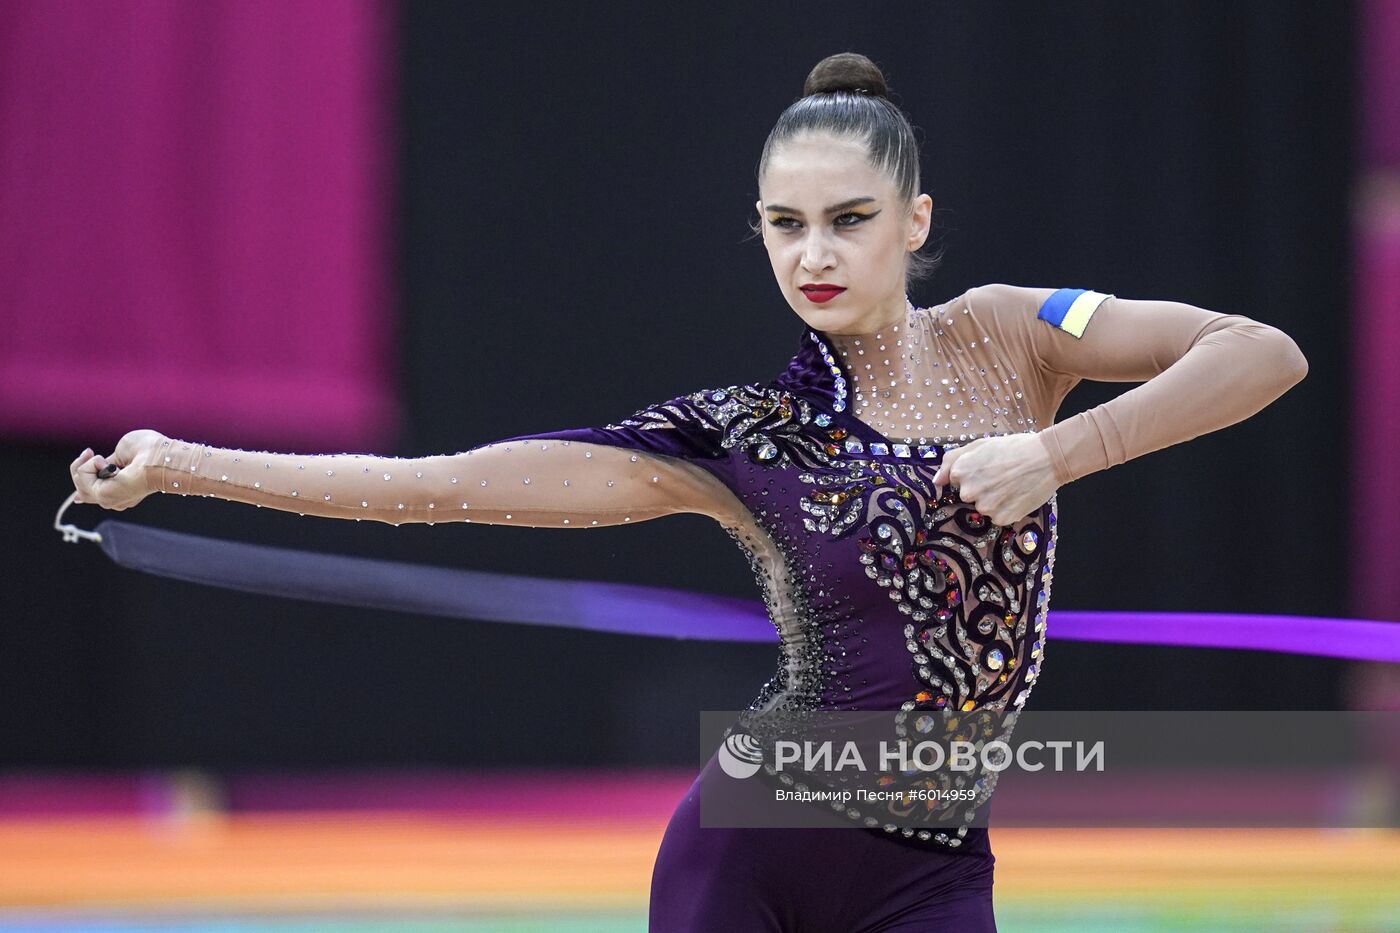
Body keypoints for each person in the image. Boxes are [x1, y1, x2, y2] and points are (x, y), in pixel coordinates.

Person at [70, 52, 1307, 933]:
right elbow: (431, 488)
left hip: (937, 867)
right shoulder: (740, 435)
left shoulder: (1014, 335)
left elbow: (1257, 353)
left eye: (847, 219)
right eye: (784, 225)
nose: (812, 254)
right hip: (753, 852)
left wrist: (1056, 453)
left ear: (915, 217)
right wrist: (186, 464)